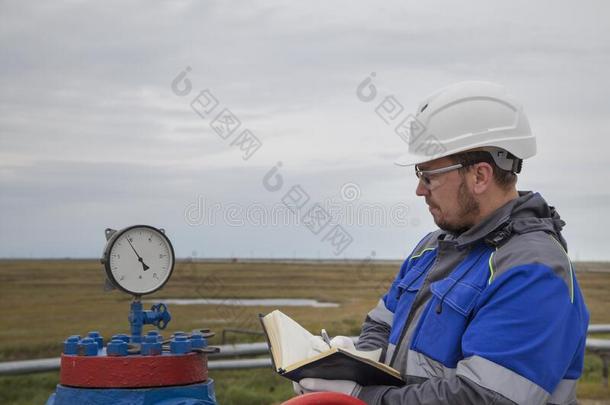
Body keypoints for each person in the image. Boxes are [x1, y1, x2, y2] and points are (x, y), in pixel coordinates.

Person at [293, 81, 589, 404]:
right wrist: (348, 363)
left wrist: (363, 396)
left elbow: (481, 398)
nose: (420, 190)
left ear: (479, 176)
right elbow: (381, 324)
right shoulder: (431, 249)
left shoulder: (534, 271)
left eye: (428, 176)